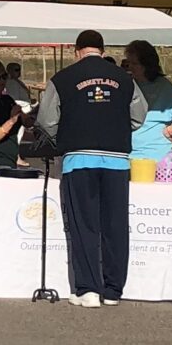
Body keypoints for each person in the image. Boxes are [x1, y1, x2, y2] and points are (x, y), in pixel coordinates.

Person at [33, 28, 144, 307]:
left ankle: (88, 290)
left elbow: (46, 121)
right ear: (103, 51)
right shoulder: (125, 79)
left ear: (76, 51)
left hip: (79, 158)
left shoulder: (62, 79)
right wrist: (114, 127)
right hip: (117, 159)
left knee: (84, 224)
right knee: (115, 225)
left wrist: (66, 134)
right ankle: (113, 290)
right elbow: (139, 116)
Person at [122, 40, 172, 168]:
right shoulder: (128, 84)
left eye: (135, 63)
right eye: (128, 63)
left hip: (155, 157)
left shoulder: (164, 87)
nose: (130, 67)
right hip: (127, 155)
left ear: (147, 64)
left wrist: (168, 131)